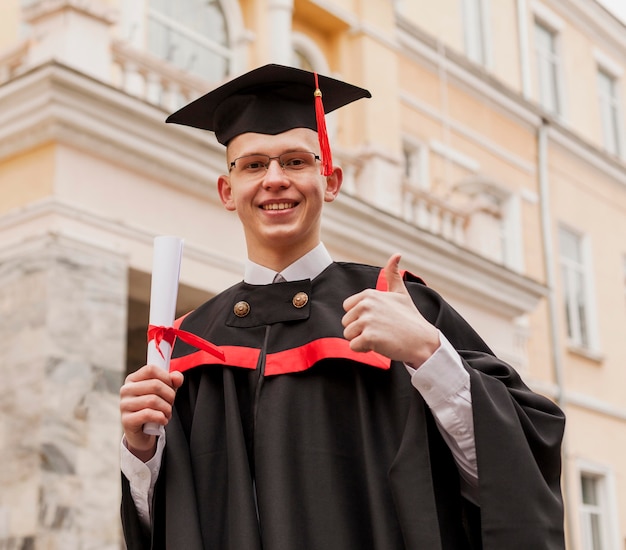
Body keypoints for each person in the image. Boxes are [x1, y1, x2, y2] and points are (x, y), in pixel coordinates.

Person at [119, 64, 566, 550]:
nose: (274, 180)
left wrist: (429, 354)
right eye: (253, 165)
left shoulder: (397, 305)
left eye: (295, 161)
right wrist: (141, 451)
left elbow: (509, 479)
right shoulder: (190, 342)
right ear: (229, 192)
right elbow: (173, 527)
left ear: (329, 180)